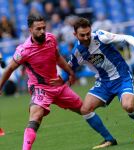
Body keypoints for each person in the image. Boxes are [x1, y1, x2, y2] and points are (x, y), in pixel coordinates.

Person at [0, 13, 116, 150]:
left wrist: (70, 72)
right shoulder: (24, 50)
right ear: (30, 30)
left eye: (44, 27)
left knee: (84, 109)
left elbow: (57, 57)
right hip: (40, 88)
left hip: (58, 85)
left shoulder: (51, 39)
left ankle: (110, 139)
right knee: (36, 117)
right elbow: (9, 69)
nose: (42, 31)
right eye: (38, 29)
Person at [58, 17, 134, 149]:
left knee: (128, 106)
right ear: (75, 35)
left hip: (122, 77)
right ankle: (109, 139)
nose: (86, 37)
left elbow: (127, 37)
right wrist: (58, 81)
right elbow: (68, 70)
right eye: (82, 35)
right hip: (104, 82)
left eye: (88, 34)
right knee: (85, 109)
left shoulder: (101, 36)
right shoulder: (77, 52)